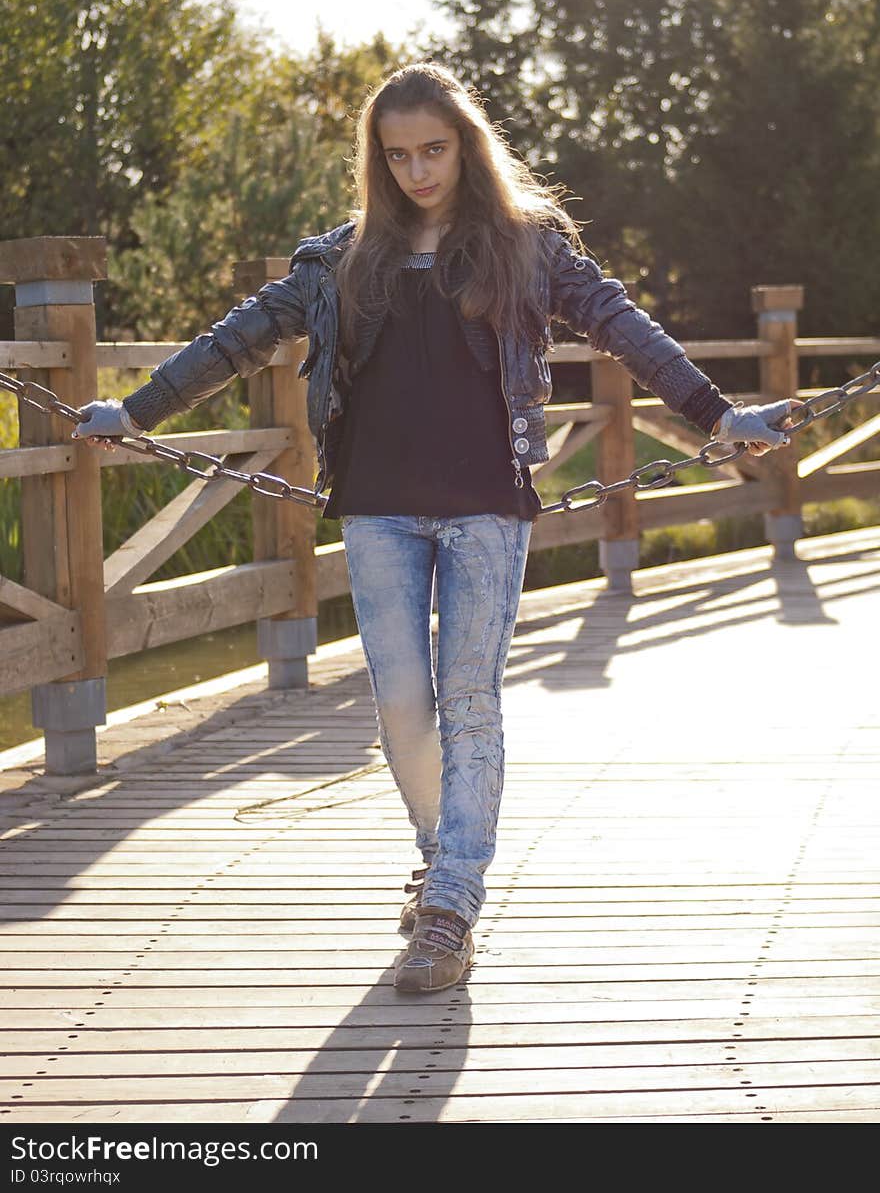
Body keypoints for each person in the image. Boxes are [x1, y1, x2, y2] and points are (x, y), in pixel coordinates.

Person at [72, 62, 794, 994]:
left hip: (487, 506)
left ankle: (451, 902)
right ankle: (440, 852)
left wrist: (717, 412)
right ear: (377, 160)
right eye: (398, 154)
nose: (417, 171)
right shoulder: (339, 260)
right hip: (376, 506)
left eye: (435, 150)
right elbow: (235, 339)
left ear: (466, 146)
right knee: (401, 705)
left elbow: (623, 325)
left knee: (470, 696)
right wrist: (135, 410)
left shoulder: (526, 249)